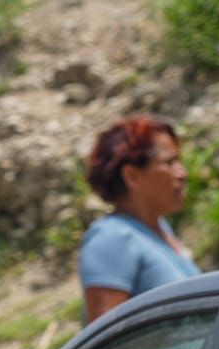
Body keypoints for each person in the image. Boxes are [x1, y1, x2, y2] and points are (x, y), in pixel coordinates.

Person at [80, 115, 199, 323]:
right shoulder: (113, 239)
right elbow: (107, 334)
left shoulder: (157, 228)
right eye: (169, 162)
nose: (182, 173)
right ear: (132, 176)